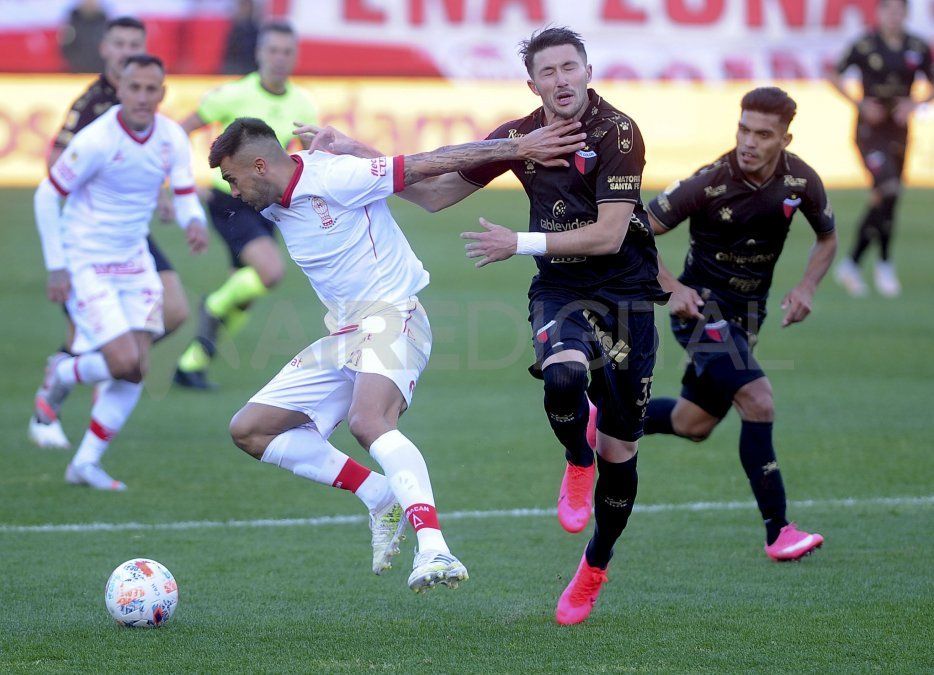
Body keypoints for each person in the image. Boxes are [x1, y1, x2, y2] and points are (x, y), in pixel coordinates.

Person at [304, 26, 668, 623]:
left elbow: (607, 235)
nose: (561, 80)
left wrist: (516, 242)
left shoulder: (617, 131)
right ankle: (577, 459)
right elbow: (435, 194)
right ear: (532, 84)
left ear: (587, 71)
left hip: (627, 295)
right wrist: (353, 150)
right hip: (562, 290)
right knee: (563, 379)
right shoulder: (519, 136)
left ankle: (595, 565)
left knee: (623, 449)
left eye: (569, 67)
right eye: (547, 72)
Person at [211, 116, 584, 590]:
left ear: (260, 166)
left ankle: (436, 550)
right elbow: (238, 201)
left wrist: (519, 147)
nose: (234, 192)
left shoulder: (335, 178)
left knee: (369, 421)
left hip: (393, 315)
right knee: (249, 430)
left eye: (233, 179)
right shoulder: (273, 194)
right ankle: (377, 492)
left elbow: (430, 164)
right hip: (344, 333)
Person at [643, 87, 836, 561]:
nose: (749, 141)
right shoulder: (707, 183)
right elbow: (635, 229)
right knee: (758, 398)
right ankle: (778, 531)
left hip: (748, 317)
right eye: (743, 129)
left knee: (694, 423)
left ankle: (604, 416)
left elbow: (827, 238)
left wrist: (807, 285)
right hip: (701, 311)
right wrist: (670, 287)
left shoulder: (801, 182)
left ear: (784, 139)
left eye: (763, 134)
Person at [33, 54, 209, 490]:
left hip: (134, 262)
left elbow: (184, 192)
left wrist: (194, 221)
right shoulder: (96, 139)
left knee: (134, 369)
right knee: (124, 360)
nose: (143, 97)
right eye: (135, 88)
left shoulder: (170, 137)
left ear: (162, 94)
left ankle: (85, 463)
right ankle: (64, 373)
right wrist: (57, 265)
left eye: (152, 89)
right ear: (122, 90)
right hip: (87, 260)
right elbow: (45, 195)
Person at [173, 21, 315, 390]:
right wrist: (187, 182)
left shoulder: (302, 103)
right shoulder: (233, 95)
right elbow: (175, 133)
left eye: (286, 51)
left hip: (267, 205)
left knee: (248, 290)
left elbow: (310, 155)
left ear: (295, 56)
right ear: (259, 53)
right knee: (269, 272)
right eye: (273, 51)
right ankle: (213, 306)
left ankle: (192, 363)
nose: (279, 59)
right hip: (231, 198)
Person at [829, 0, 933, 297]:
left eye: (899, 11)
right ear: (879, 13)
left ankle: (853, 264)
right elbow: (834, 74)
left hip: (899, 131)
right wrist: (859, 103)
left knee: (887, 198)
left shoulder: (917, 46)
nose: (893, 17)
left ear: (905, 15)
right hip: (869, 131)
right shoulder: (864, 44)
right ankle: (883, 264)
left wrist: (915, 103)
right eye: (888, 10)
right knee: (887, 189)